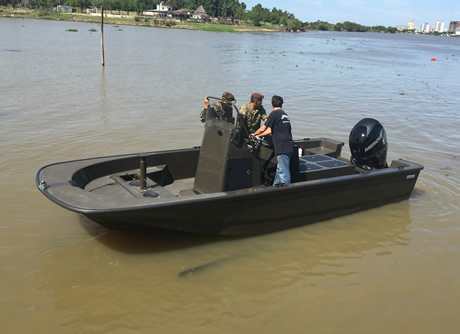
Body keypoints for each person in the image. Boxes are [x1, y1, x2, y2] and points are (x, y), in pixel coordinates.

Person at [252, 95, 294, 185]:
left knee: (284, 173)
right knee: (279, 170)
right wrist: (258, 135)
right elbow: (270, 130)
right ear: (281, 104)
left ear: (272, 105)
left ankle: (286, 191)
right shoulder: (284, 115)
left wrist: (254, 134)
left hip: (282, 147)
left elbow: (264, 128)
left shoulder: (274, 114)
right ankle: (274, 187)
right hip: (288, 146)